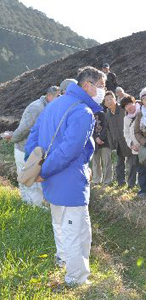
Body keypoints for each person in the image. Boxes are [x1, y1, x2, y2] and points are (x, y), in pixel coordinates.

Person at [25, 66, 107, 286]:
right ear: (87, 86)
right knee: (75, 230)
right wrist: (43, 170)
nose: (103, 91)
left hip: (52, 180)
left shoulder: (54, 105)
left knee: (61, 224)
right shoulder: (82, 112)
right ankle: (76, 278)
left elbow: (33, 136)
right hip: (69, 180)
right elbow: (69, 150)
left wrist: (34, 166)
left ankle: (64, 260)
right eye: (101, 86)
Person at [2, 86, 60, 206]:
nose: (60, 100)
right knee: (28, 178)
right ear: (49, 96)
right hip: (25, 149)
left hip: (34, 150)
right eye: (57, 97)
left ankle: (29, 204)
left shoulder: (46, 107)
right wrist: (13, 138)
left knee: (31, 178)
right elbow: (24, 128)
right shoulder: (37, 108)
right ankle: (34, 206)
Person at [104, 91, 136, 188]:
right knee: (119, 165)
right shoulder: (107, 114)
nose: (109, 101)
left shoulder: (123, 109)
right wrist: (112, 144)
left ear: (115, 99)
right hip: (117, 142)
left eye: (111, 98)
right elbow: (108, 131)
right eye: (106, 100)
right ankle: (121, 183)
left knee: (132, 164)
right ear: (105, 104)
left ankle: (131, 184)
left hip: (128, 141)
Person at [120, 95, 146, 196]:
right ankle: (144, 191)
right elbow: (126, 133)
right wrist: (131, 144)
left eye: (129, 104)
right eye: (125, 106)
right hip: (136, 149)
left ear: (134, 102)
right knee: (141, 171)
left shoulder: (143, 112)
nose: (128, 107)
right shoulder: (126, 119)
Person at [92, 106, 112, 186]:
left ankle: (107, 181)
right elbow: (88, 129)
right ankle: (96, 180)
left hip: (105, 141)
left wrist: (100, 137)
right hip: (94, 142)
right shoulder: (88, 115)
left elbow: (106, 127)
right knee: (95, 162)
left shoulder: (103, 114)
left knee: (106, 161)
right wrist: (95, 138)